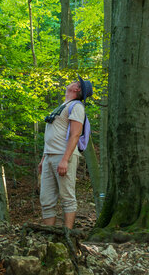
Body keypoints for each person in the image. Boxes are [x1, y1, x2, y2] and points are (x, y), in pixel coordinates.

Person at [38, 76, 93, 229]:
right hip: (50, 156)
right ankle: (50, 235)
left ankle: (67, 235)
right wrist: (43, 158)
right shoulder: (62, 106)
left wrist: (65, 159)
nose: (74, 81)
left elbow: (75, 134)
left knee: (67, 197)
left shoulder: (77, 107)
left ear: (78, 89)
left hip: (63, 156)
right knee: (46, 200)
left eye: (77, 82)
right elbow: (50, 135)